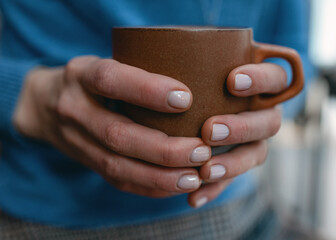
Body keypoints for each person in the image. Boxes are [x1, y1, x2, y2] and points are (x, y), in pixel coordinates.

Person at [0, 0, 315, 239]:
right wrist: (26, 97)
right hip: (47, 216)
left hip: (238, 209)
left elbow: (295, 52)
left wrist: (264, 104)